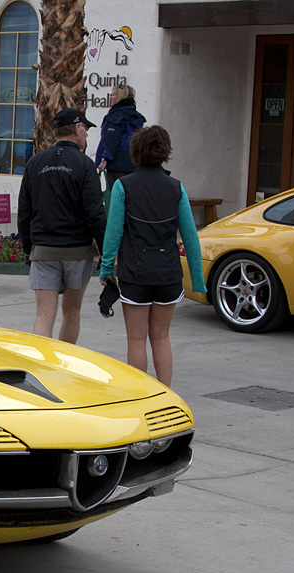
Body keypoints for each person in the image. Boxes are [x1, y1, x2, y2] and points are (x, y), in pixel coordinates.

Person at [99, 125, 206, 387]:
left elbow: (113, 233)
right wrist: (199, 280)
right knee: (161, 336)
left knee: (136, 339)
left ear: (135, 151)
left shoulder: (123, 186)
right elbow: (191, 238)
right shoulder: (176, 188)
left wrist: (105, 269)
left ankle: (139, 396)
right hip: (168, 273)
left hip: (135, 272)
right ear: (164, 152)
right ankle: (165, 394)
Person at [17, 107, 106, 344]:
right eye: (85, 129)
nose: (86, 135)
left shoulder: (35, 163)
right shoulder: (85, 165)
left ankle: (42, 366)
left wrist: (29, 249)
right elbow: (95, 213)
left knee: (44, 315)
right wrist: (106, 251)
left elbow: (24, 211)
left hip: (44, 250)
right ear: (77, 129)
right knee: (72, 312)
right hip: (77, 251)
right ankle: (65, 365)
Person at [95, 84, 146, 190]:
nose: (111, 97)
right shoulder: (136, 117)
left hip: (116, 163)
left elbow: (111, 138)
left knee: (117, 194)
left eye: (113, 94)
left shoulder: (115, 116)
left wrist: (105, 158)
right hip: (134, 162)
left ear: (119, 97)